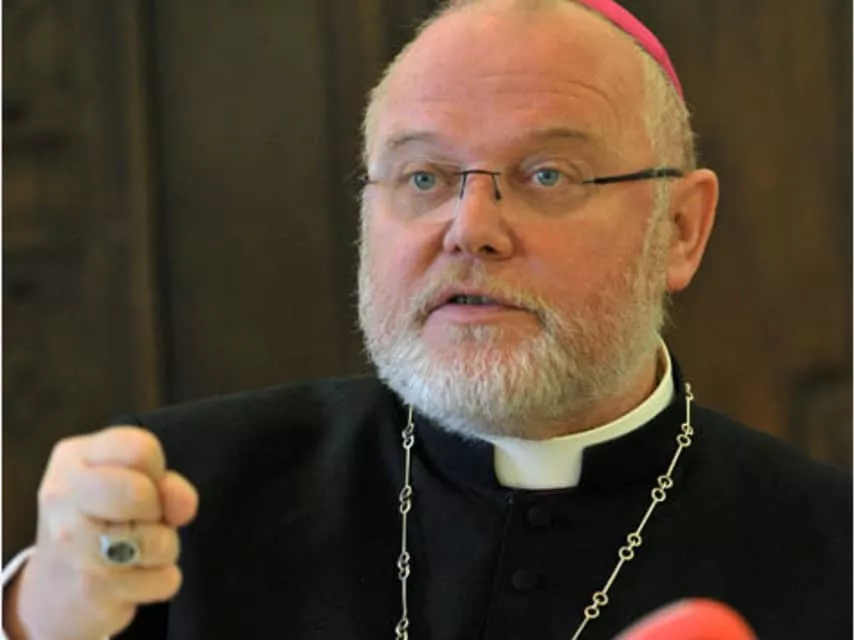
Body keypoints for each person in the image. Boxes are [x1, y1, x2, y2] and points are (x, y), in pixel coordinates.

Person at [3, 0, 851, 638]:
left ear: (680, 230)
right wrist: (40, 620)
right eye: (422, 177)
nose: (470, 229)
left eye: (548, 175)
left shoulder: (833, 551)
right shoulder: (174, 502)